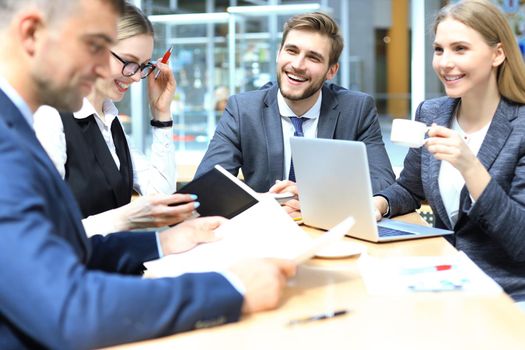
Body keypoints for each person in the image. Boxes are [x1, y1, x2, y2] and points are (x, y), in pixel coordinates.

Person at [0, 1, 296, 349]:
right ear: (32, 33)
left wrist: (163, 241)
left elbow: (60, 248)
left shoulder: (16, 126)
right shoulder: (11, 142)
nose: (102, 69)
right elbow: (68, 309)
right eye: (94, 46)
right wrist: (232, 289)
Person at [373, 0, 525, 304]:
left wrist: (471, 168)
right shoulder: (433, 113)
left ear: (498, 54)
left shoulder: (520, 126)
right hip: (445, 277)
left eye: (460, 49)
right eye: (439, 49)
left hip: (508, 294)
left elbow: (520, 241)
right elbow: (409, 187)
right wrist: (377, 205)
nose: (444, 62)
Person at [195, 12, 395, 196]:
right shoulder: (243, 110)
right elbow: (207, 187)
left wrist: (311, 193)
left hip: (330, 229)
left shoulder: (357, 109)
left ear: (331, 71)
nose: (298, 65)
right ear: (278, 53)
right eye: (291, 51)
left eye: (313, 57)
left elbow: (384, 182)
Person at [33, 3, 188, 236]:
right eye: (128, 61)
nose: (136, 77)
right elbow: (43, 230)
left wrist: (161, 114)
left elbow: (161, 196)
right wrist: (126, 218)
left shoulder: (110, 121)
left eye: (143, 66)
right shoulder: (50, 117)